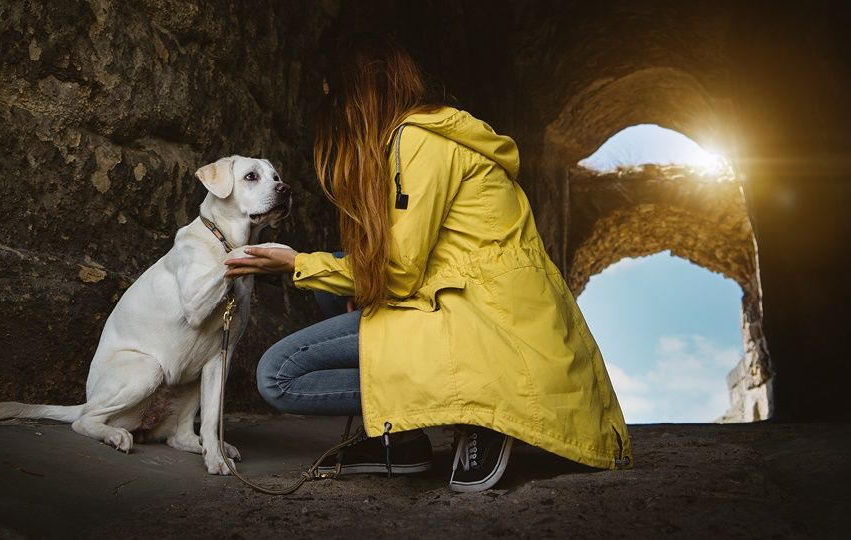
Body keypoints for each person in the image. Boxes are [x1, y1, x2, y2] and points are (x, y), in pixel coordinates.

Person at [224, 36, 632, 493]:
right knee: (332, 278)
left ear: (358, 97)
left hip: (478, 315)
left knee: (277, 375)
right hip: (467, 299)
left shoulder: (416, 140)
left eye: (335, 99)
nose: (332, 114)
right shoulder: (427, 134)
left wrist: (295, 263)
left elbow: (399, 273)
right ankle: (400, 440)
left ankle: (480, 407)